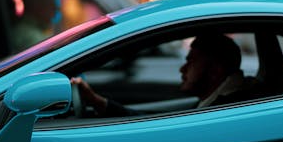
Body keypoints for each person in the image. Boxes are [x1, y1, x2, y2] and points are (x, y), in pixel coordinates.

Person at [71, 33, 252, 117]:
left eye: (191, 61)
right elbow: (147, 120)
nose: (182, 69)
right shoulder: (217, 103)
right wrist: (98, 102)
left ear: (215, 70)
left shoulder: (224, 111)